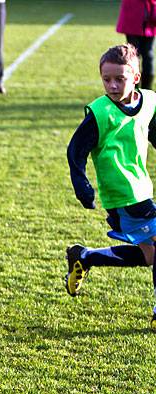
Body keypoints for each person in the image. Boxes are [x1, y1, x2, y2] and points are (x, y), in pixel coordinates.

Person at [66, 44, 156, 327]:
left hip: (142, 187)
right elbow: (75, 150)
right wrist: (81, 183)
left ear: (137, 78)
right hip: (122, 194)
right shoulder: (100, 112)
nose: (113, 85)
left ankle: (85, 257)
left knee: (149, 255)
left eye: (120, 79)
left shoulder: (150, 101)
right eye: (107, 79)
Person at [116, 0, 156, 90]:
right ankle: (135, 88)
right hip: (136, 15)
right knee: (136, 55)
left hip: (146, 16)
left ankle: (143, 89)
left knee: (145, 55)